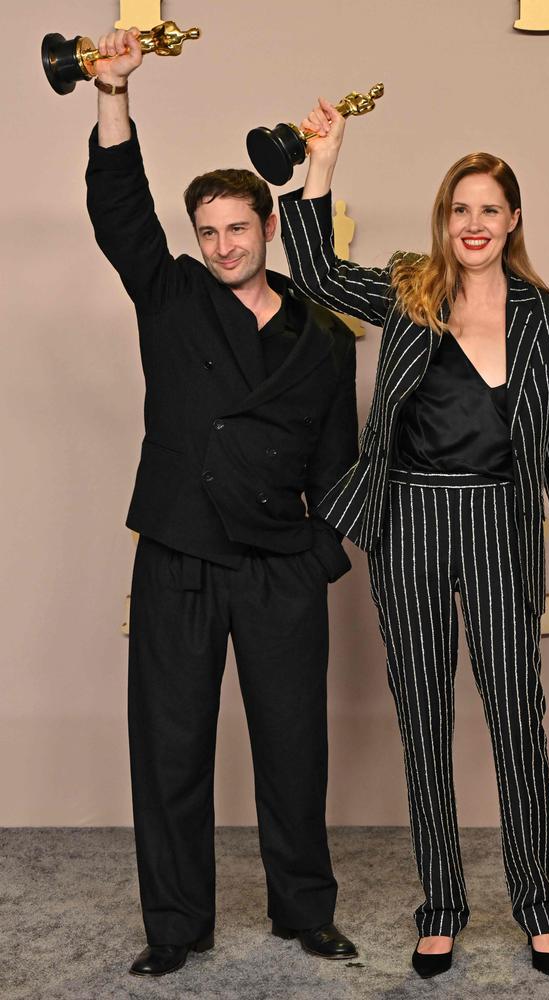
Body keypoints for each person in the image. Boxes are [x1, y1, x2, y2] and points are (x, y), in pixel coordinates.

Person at [279, 97, 549, 981]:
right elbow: (310, 269)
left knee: (516, 721)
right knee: (424, 721)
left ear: (512, 221)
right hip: (411, 525)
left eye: (489, 209)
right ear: (444, 219)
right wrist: (325, 158)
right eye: (460, 209)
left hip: (503, 528)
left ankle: (539, 907)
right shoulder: (406, 287)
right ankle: (441, 908)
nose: (474, 224)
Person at [85, 36, 359, 977]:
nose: (221, 245)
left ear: (268, 228)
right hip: (180, 551)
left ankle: (304, 911)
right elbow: (120, 212)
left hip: (280, 563)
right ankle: (174, 926)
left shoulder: (325, 334)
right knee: (169, 749)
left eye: (236, 228)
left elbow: (341, 466)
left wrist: (321, 551)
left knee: (293, 746)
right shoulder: (169, 299)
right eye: (206, 231)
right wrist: (112, 94)